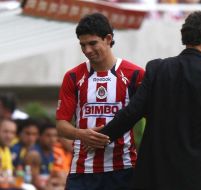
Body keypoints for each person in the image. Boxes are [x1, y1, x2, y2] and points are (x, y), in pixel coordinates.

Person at [92, 11, 201, 190]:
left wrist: (100, 136)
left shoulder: (157, 68)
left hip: (154, 176)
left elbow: (132, 112)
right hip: (198, 178)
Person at [56, 13, 145, 190]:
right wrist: (82, 134)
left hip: (123, 169)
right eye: (83, 45)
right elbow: (61, 126)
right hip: (82, 171)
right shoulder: (73, 77)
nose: (87, 50)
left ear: (108, 39)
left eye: (92, 43)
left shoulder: (135, 74)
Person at [0, 119, 17, 185]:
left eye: (12, 133)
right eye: (5, 131)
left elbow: (7, 174)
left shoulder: (6, 150)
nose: (9, 136)